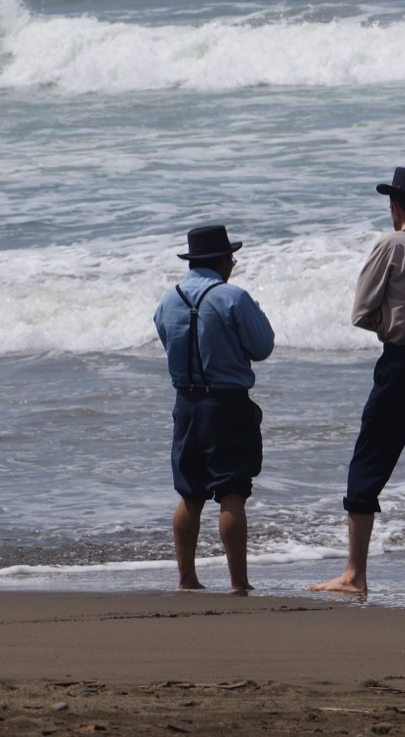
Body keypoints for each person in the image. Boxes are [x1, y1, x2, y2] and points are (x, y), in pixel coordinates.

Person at [310, 167, 405, 597]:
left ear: (395, 206)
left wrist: (386, 322)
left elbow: (361, 311)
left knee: (367, 466)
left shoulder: (392, 245)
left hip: (403, 365)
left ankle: (355, 575)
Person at [154, 225, 275, 595]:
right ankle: (239, 581)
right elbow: (263, 346)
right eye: (232, 259)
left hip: (186, 404)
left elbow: (165, 339)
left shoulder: (168, 300)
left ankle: (186, 577)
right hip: (226, 404)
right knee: (232, 492)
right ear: (223, 261)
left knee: (190, 493)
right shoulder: (232, 297)